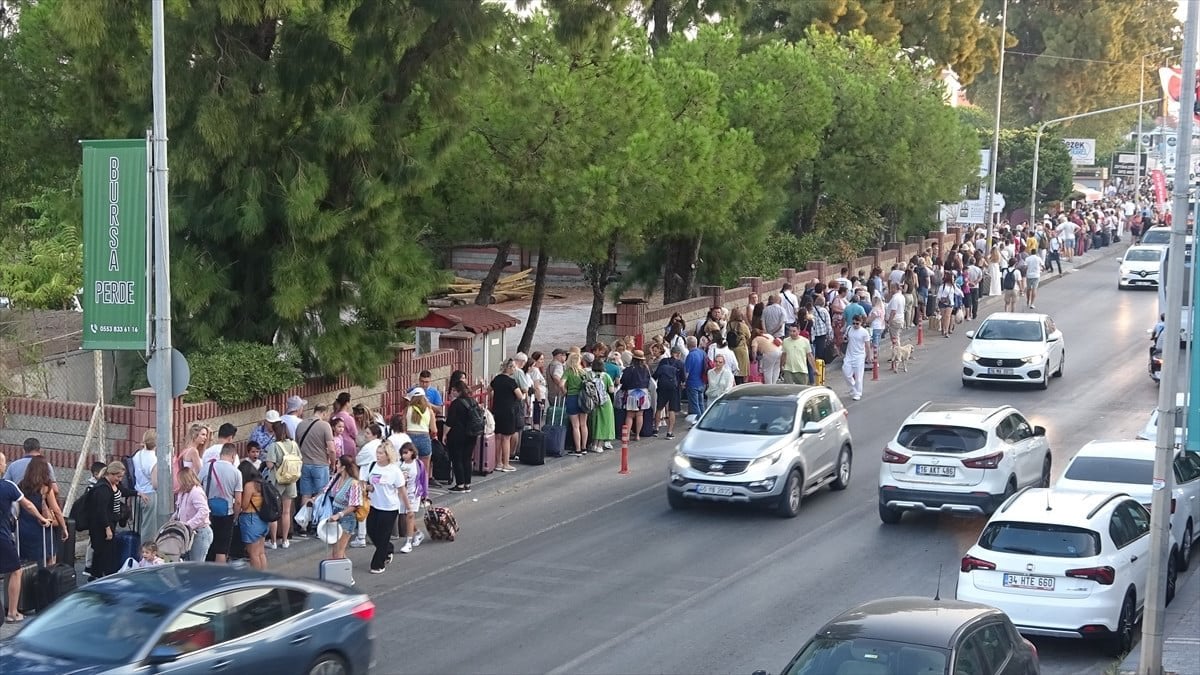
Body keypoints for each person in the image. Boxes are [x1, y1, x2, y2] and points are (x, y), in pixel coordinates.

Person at [1, 452, 52, 623]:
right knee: (16, 570)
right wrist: (42, 518)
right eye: (3, 463)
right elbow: (28, 505)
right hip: (2, 535)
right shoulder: (8, 486)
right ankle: (12, 612)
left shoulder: (17, 484)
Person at [16, 457, 67, 567]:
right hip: (42, 527)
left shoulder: (21, 485)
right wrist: (64, 527)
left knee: (26, 561)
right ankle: (44, 581)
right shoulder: (45, 487)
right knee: (50, 557)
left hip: (24, 527)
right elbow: (56, 510)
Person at [365, 440, 405, 574]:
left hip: (389, 507)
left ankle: (378, 563)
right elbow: (367, 483)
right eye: (377, 453)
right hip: (374, 505)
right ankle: (388, 548)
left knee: (383, 535)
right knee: (371, 530)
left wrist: (408, 507)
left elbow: (401, 489)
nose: (378, 455)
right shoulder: (372, 466)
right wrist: (368, 487)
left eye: (381, 453)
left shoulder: (394, 470)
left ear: (388, 455)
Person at [314, 456, 363, 561]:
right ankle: (346, 575)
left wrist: (339, 515)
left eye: (338, 464)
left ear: (343, 467)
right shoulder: (337, 477)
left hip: (347, 518)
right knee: (336, 552)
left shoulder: (354, 483)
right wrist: (314, 499)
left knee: (337, 553)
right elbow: (325, 490)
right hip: (334, 516)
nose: (336, 465)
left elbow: (354, 505)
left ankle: (340, 575)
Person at [86, 461, 128, 579]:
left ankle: (95, 575)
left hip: (110, 521)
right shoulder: (103, 489)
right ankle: (104, 575)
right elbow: (101, 511)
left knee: (101, 553)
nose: (119, 479)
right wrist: (107, 528)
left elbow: (124, 491)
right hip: (101, 525)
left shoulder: (113, 485)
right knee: (105, 552)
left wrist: (138, 493)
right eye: (118, 476)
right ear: (111, 474)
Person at [202, 444, 243, 564]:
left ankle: (206, 575)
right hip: (227, 514)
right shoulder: (236, 473)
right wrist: (235, 516)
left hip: (208, 513)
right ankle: (219, 577)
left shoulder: (207, 467)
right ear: (233, 456)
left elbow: (197, 486)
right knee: (222, 549)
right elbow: (238, 500)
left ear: (221, 454)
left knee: (208, 546)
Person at [295, 404, 336, 523]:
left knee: (305, 494)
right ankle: (318, 523)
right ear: (324, 413)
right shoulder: (325, 426)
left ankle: (303, 522)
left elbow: (297, 445)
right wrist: (333, 464)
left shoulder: (301, 424)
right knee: (321, 494)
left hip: (304, 464)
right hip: (320, 464)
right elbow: (331, 449)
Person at [263, 421, 298, 549]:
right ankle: (285, 540)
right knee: (286, 512)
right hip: (291, 480)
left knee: (274, 511)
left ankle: (273, 541)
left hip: (277, 481)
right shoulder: (294, 444)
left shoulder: (274, 446)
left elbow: (269, 464)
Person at [443, 380, 480, 492]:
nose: (452, 392)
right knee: (467, 459)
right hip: (472, 434)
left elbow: (450, 422)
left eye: (454, 390)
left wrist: (444, 434)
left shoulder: (456, 404)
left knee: (457, 459)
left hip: (458, 435)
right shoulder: (473, 401)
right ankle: (468, 484)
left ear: (458, 391)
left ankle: (460, 484)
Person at [490, 359, 525, 472]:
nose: (515, 369)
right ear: (509, 368)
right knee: (506, 438)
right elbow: (520, 396)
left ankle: (498, 462)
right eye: (513, 367)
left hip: (497, 410)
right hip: (508, 411)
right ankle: (506, 464)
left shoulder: (497, 379)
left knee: (498, 437)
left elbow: (489, 389)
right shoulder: (511, 382)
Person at [174, 467, 211, 563]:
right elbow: (180, 509)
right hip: (188, 533)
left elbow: (204, 511)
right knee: (188, 563)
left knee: (196, 566)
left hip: (199, 533)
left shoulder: (196, 492)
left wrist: (189, 524)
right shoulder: (182, 492)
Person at [236, 460, 268, 570]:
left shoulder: (249, 485)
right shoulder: (261, 482)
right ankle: (264, 576)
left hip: (250, 519)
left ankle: (256, 578)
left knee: (253, 553)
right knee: (261, 552)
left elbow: (244, 505)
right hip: (262, 518)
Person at [397, 443, 426, 553]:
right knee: (405, 516)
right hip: (401, 494)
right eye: (402, 453)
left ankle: (408, 543)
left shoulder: (418, 464)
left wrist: (424, 494)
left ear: (412, 452)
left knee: (410, 515)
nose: (404, 455)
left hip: (413, 494)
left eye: (406, 453)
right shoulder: (400, 465)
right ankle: (418, 533)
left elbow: (423, 479)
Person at [654, 346, 686, 440]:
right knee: (672, 410)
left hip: (662, 388)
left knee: (659, 408)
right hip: (674, 389)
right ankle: (669, 432)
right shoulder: (680, 364)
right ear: (678, 354)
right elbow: (683, 378)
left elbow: (656, 375)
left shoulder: (663, 361)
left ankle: (656, 429)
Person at [130, 430, 158, 539]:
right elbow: (155, 484)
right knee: (148, 529)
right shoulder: (154, 460)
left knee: (138, 526)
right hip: (150, 494)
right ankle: (146, 554)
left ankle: (136, 551)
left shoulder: (137, 454)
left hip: (138, 493)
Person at [404, 387, 435, 486]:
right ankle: (424, 494)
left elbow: (403, 427)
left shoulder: (407, 410)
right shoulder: (429, 411)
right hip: (424, 438)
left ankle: (411, 490)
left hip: (410, 438)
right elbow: (434, 429)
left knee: (409, 467)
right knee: (424, 470)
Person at [587, 356, 616, 454]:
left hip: (593, 402)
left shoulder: (589, 375)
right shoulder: (606, 376)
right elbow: (611, 390)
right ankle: (600, 445)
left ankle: (594, 444)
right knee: (605, 423)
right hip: (605, 401)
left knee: (595, 422)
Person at [563, 352, 590, 456]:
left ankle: (577, 449)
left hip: (572, 398)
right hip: (584, 399)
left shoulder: (568, 372)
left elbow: (561, 383)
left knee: (575, 426)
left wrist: (565, 390)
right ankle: (584, 447)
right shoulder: (583, 372)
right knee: (584, 424)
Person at [842, 316, 872, 401]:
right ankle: (853, 388)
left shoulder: (864, 332)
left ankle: (858, 393)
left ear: (861, 323)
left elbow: (867, 345)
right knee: (846, 372)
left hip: (859, 356)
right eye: (853, 323)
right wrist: (844, 339)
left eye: (857, 323)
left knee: (858, 376)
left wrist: (869, 356)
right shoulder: (849, 328)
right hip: (849, 355)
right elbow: (845, 337)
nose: (855, 325)